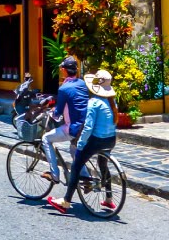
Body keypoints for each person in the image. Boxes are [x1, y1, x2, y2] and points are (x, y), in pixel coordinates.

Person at [47, 69, 119, 214]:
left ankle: (66, 201)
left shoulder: (93, 103)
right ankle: (109, 199)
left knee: (76, 166)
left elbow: (88, 128)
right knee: (103, 165)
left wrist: (80, 144)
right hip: (111, 140)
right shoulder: (112, 102)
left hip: (96, 141)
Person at [40, 56, 90, 184]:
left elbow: (57, 114)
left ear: (63, 70)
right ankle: (86, 178)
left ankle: (54, 174)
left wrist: (51, 112)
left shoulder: (63, 88)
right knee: (74, 149)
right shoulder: (83, 84)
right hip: (86, 125)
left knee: (46, 138)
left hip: (73, 128)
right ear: (76, 70)